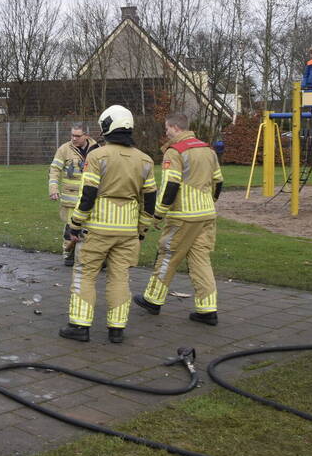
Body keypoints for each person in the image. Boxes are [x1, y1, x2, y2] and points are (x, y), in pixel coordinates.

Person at [60, 106, 156, 344]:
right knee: (120, 278)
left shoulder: (98, 156)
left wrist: (75, 223)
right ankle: (117, 329)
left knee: (85, 274)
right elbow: (150, 200)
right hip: (128, 230)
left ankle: (80, 326)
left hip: (97, 228)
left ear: (106, 127)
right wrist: (142, 230)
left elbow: (88, 194)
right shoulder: (145, 160)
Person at [133, 113, 224, 326]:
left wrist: (158, 213)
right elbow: (218, 181)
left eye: (166, 129)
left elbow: (170, 186)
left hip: (183, 215)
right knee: (200, 260)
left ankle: (153, 300)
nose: (165, 133)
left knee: (168, 254)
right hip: (206, 214)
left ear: (174, 127)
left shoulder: (175, 152)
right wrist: (210, 202)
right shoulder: (208, 149)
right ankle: (207, 309)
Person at [49, 123, 99, 266]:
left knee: (92, 228)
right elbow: (54, 170)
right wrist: (53, 189)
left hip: (90, 198)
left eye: (78, 136)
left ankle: (93, 256)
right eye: (72, 135)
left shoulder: (97, 149)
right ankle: (69, 254)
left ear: (86, 136)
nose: (74, 138)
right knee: (70, 228)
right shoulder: (64, 149)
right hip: (70, 199)